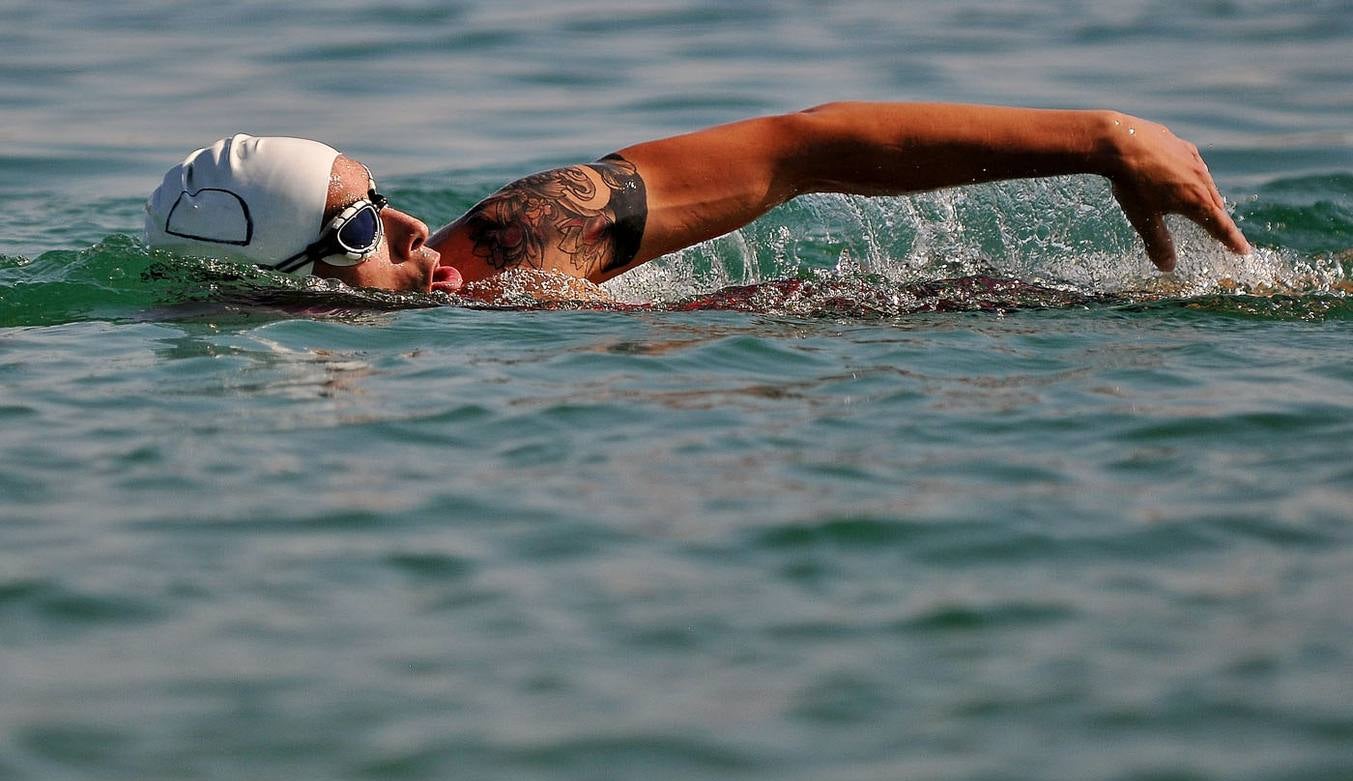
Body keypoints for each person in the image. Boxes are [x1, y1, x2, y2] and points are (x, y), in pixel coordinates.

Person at [144, 102, 1250, 299]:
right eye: (356, 228)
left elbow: (797, 150)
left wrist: (1098, 141)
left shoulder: (514, 244)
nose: (412, 225)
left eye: (379, 195)